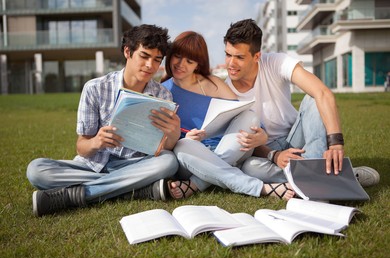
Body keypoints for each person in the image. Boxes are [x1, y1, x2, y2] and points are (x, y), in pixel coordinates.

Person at [26, 24, 181, 217]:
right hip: (93, 166)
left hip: (135, 165)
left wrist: (174, 133)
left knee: (168, 162)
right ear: (127, 51)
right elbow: (82, 147)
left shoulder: (163, 95)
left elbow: (162, 148)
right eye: (144, 56)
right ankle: (134, 190)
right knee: (36, 170)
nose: (150, 65)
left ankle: (78, 195)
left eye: (157, 60)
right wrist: (96, 142)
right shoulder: (95, 88)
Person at [223, 19, 380, 188]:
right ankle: (330, 175)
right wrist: (275, 155)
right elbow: (244, 142)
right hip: (265, 151)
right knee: (250, 168)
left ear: (256, 56)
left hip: (296, 137)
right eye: (228, 54)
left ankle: (315, 175)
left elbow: (323, 93)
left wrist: (336, 143)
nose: (231, 63)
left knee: (313, 97)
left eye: (239, 57)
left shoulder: (276, 62)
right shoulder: (224, 91)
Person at [161, 31, 294, 200]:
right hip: (193, 158)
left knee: (249, 116)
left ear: (198, 63)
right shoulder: (163, 91)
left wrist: (261, 135)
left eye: (189, 61)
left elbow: (242, 114)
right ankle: (261, 188)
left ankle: (195, 184)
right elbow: (162, 141)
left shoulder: (212, 83)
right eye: (177, 57)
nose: (181, 64)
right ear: (170, 56)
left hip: (231, 149)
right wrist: (184, 137)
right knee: (183, 146)